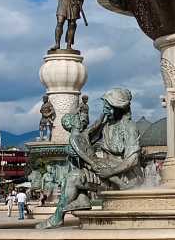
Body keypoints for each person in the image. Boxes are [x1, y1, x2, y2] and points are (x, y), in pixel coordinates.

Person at [38, 88, 143, 229]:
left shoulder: (129, 127)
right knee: (73, 176)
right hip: (104, 173)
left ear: (119, 108)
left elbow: (133, 160)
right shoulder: (106, 125)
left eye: (108, 108)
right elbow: (84, 140)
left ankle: (72, 207)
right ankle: (73, 206)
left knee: (74, 177)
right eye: (104, 107)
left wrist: (110, 172)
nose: (105, 111)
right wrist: (71, 149)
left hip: (125, 178)